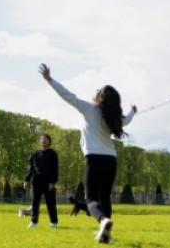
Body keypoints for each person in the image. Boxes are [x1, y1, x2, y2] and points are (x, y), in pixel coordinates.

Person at [38, 63, 136, 244]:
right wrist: (133, 111)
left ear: (101, 97)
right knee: (105, 197)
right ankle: (105, 234)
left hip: (94, 158)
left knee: (91, 199)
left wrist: (50, 79)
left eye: (98, 90)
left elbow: (67, 95)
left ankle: (103, 221)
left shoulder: (90, 108)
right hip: (111, 160)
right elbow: (127, 120)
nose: (95, 91)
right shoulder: (114, 117)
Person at [23, 133, 59, 228]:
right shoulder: (35, 154)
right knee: (35, 202)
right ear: (40, 141)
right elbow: (30, 168)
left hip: (48, 181)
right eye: (42, 139)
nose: (43, 140)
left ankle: (53, 222)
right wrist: (27, 180)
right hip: (37, 181)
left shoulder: (53, 154)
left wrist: (52, 182)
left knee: (50, 203)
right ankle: (34, 222)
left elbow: (55, 169)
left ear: (49, 142)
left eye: (46, 139)